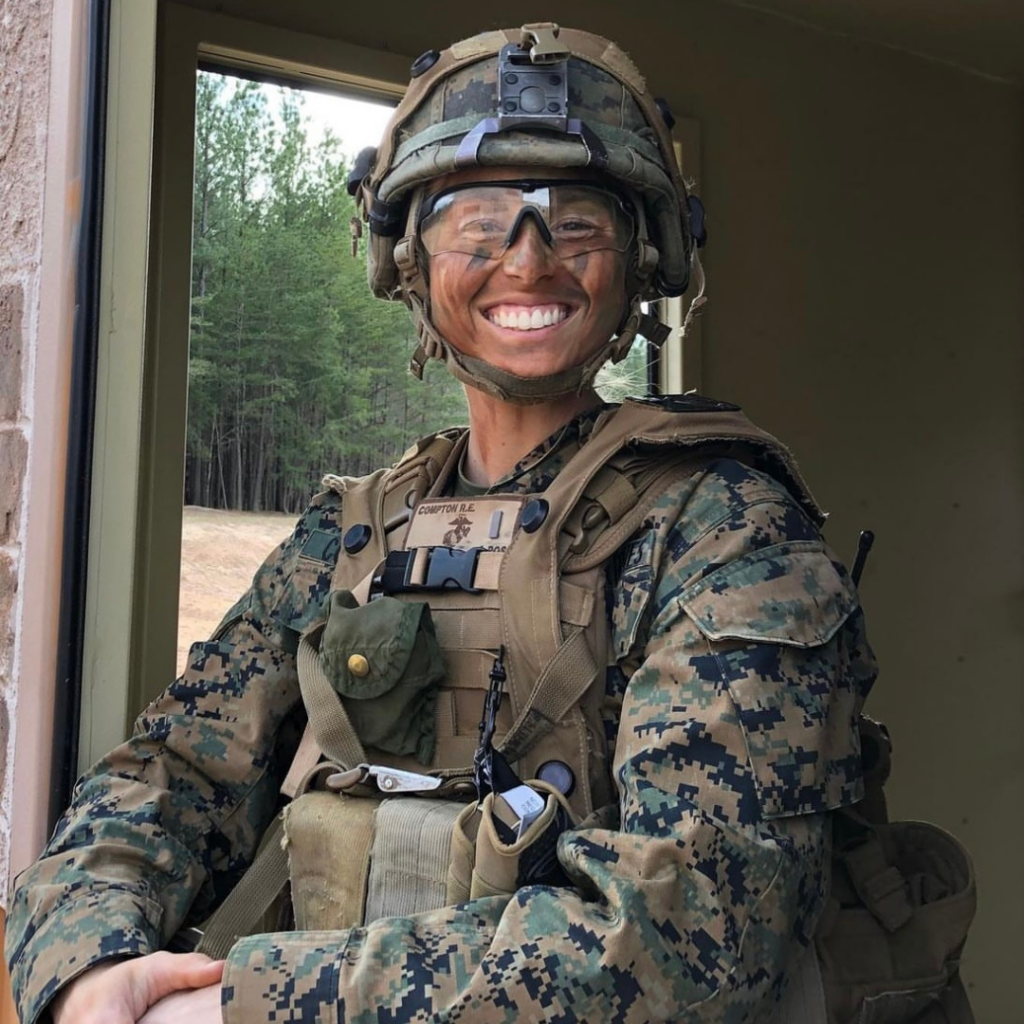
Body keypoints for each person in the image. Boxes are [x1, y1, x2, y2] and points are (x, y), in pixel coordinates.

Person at [6, 23, 877, 1024]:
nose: (527, 260)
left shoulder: (724, 530)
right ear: (409, 260)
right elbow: (171, 774)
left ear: (641, 259)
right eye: (477, 221)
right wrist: (88, 969)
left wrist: (241, 1007)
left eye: (575, 221)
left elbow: (695, 932)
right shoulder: (357, 530)